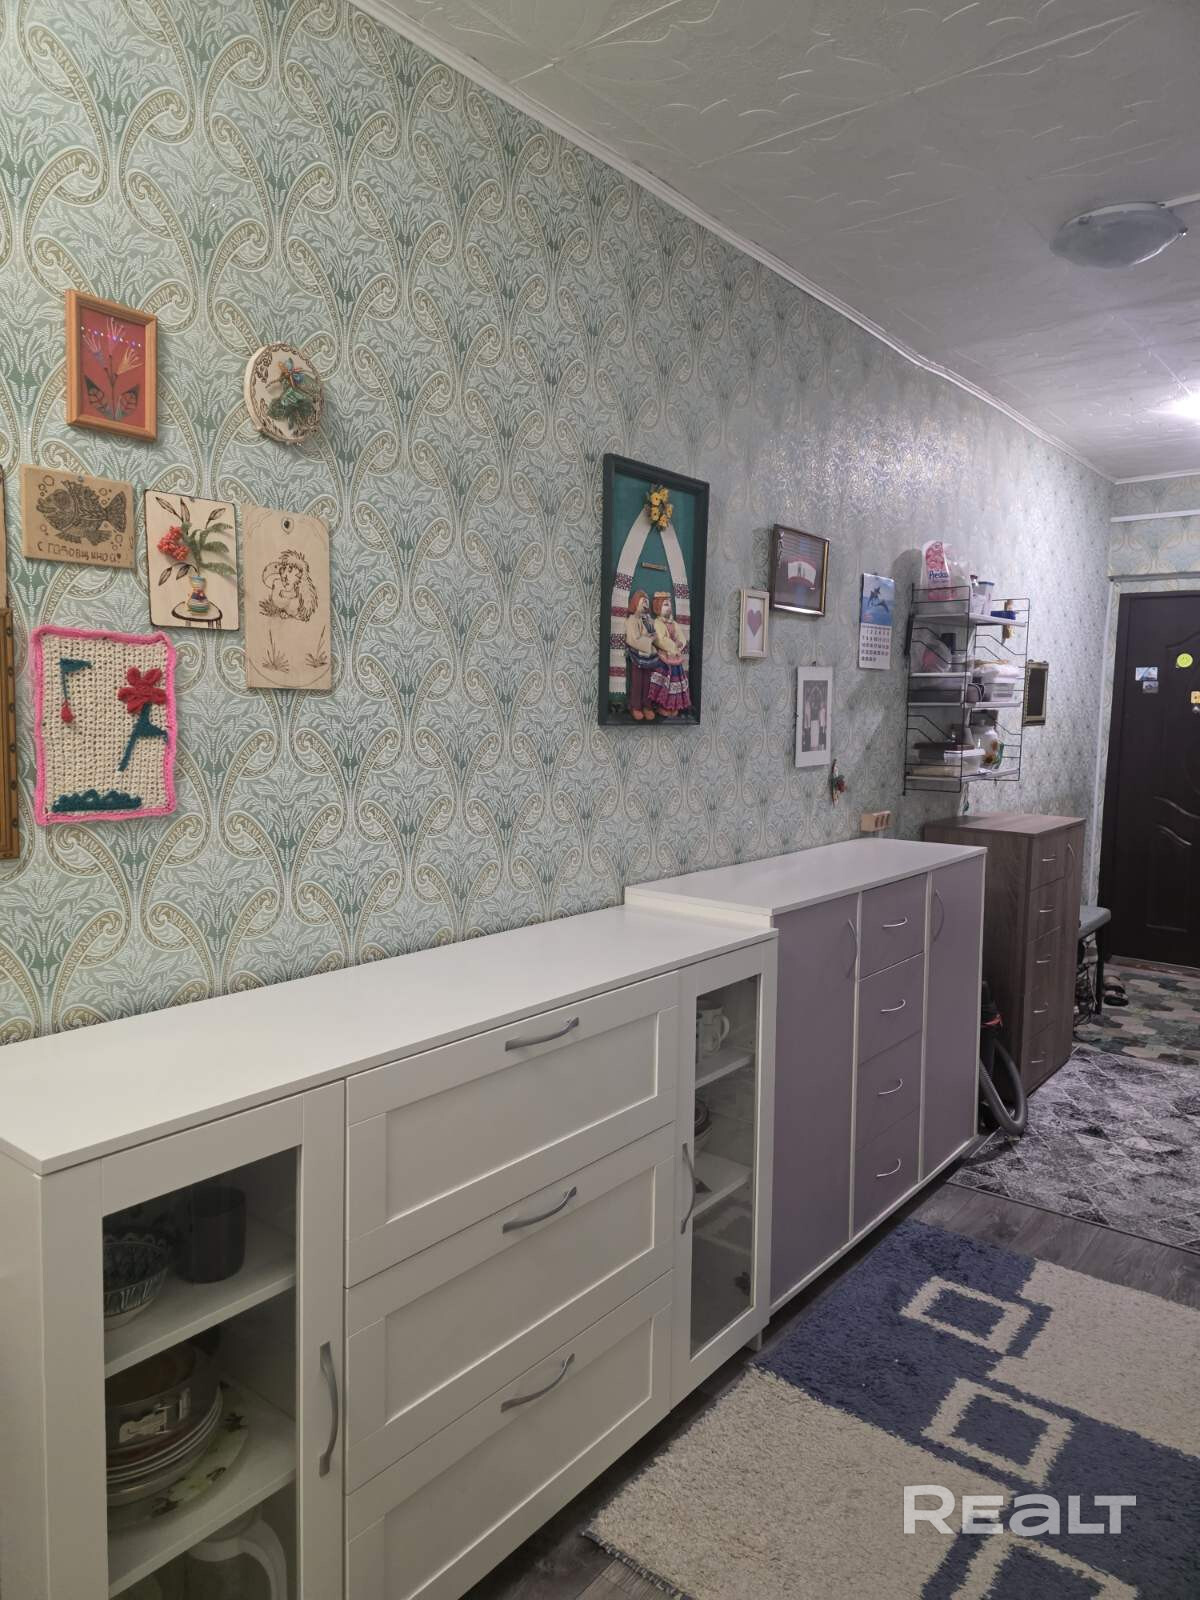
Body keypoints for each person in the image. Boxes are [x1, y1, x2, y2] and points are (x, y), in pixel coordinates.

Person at [647, 592, 691, 718]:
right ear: (658, 607)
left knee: (675, 683)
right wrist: (672, 645)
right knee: (664, 681)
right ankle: (662, 706)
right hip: (663, 659)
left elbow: (681, 637)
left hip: (675, 657)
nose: (669, 607)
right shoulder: (657, 623)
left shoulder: (674, 623)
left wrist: (679, 643)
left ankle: (673, 706)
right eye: (666, 605)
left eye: (670, 605)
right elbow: (660, 639)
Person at [624, 589, 657, 720]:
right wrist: (649, 640)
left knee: (648, 681)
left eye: (647, 602)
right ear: (635, 603)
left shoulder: (648, 620)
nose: (645, 605)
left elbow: (654, 633)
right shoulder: (632, 620)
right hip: (637, 656)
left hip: (649, 656)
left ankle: (647, 706)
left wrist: (653, 636)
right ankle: (635, 706)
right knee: (637, 682)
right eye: (643, 602)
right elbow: (633, 639)